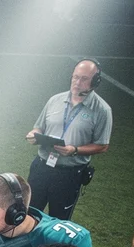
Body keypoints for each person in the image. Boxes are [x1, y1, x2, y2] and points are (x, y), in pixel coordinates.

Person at [25, 58, 112, 220]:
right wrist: (34, 134)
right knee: (28, 214)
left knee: (59, 220)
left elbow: (102, 145)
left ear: (95, 81)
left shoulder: (102, 110)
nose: (77, 82)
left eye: (84, 79)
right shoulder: (55, 100)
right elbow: (39, 127)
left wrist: (75, 150)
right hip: (41, 167)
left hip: (69, 174)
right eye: (75, 77)